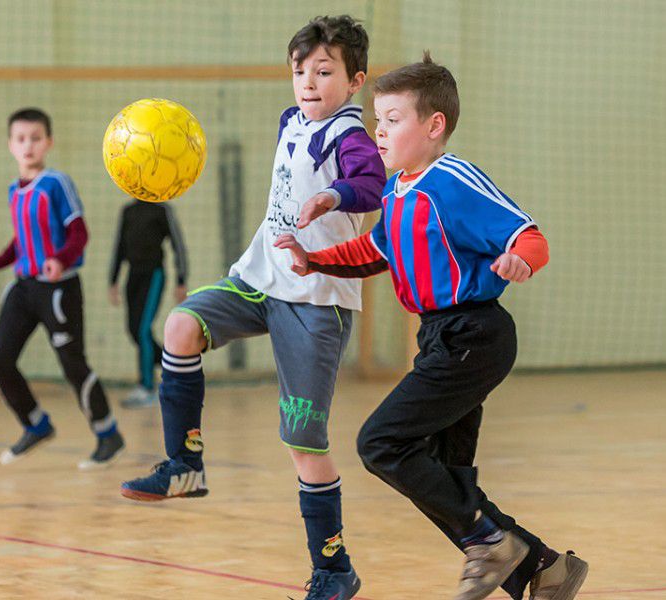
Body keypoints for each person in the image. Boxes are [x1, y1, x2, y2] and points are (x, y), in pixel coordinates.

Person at [274, 53, 588, 600]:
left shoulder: (451, 179)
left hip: (475, 335)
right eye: (378, 120)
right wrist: (313, 258)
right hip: (440, 339)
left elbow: (527, 235)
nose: (380, 131)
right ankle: (545, 567)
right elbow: (372, 251)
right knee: (448, 472)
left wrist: (521, 260)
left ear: (433, 125)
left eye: (393, 120)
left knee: (382, 443)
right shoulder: (397, 194)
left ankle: (491, 541)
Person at [121, 16, 386, 600]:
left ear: (356, 80)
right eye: (300, 71)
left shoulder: (350, 137)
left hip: (316, 300)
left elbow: (374, 184)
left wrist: (333, 194)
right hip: (259, 278)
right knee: (181, 324)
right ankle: (184, 465)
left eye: (324, 71)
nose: (309, 83)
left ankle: (334, 568)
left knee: (304, 443)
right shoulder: (290, 121)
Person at [0, 107, 125, 471]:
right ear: (10, 145)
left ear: (48, 142)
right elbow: (23, 240)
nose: (28, 145)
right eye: (20, 138)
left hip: (58, 289)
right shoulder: (15, 190)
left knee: (72, 364)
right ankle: (35, 424)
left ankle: (108, 434)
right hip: (23, 288)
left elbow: (79, 232)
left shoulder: (57, 183)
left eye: (35, 138)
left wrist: (60, 260)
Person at [108, 198, 189, 408]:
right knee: (133, 330)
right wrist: (113, 280)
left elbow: (178, 245)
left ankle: (147, 387)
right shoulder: (128, 211)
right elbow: (119, 246)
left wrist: (181, 280)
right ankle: (175, 368)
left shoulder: (162, 210)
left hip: (153, 275)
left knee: (143, 330)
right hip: (133, 276)